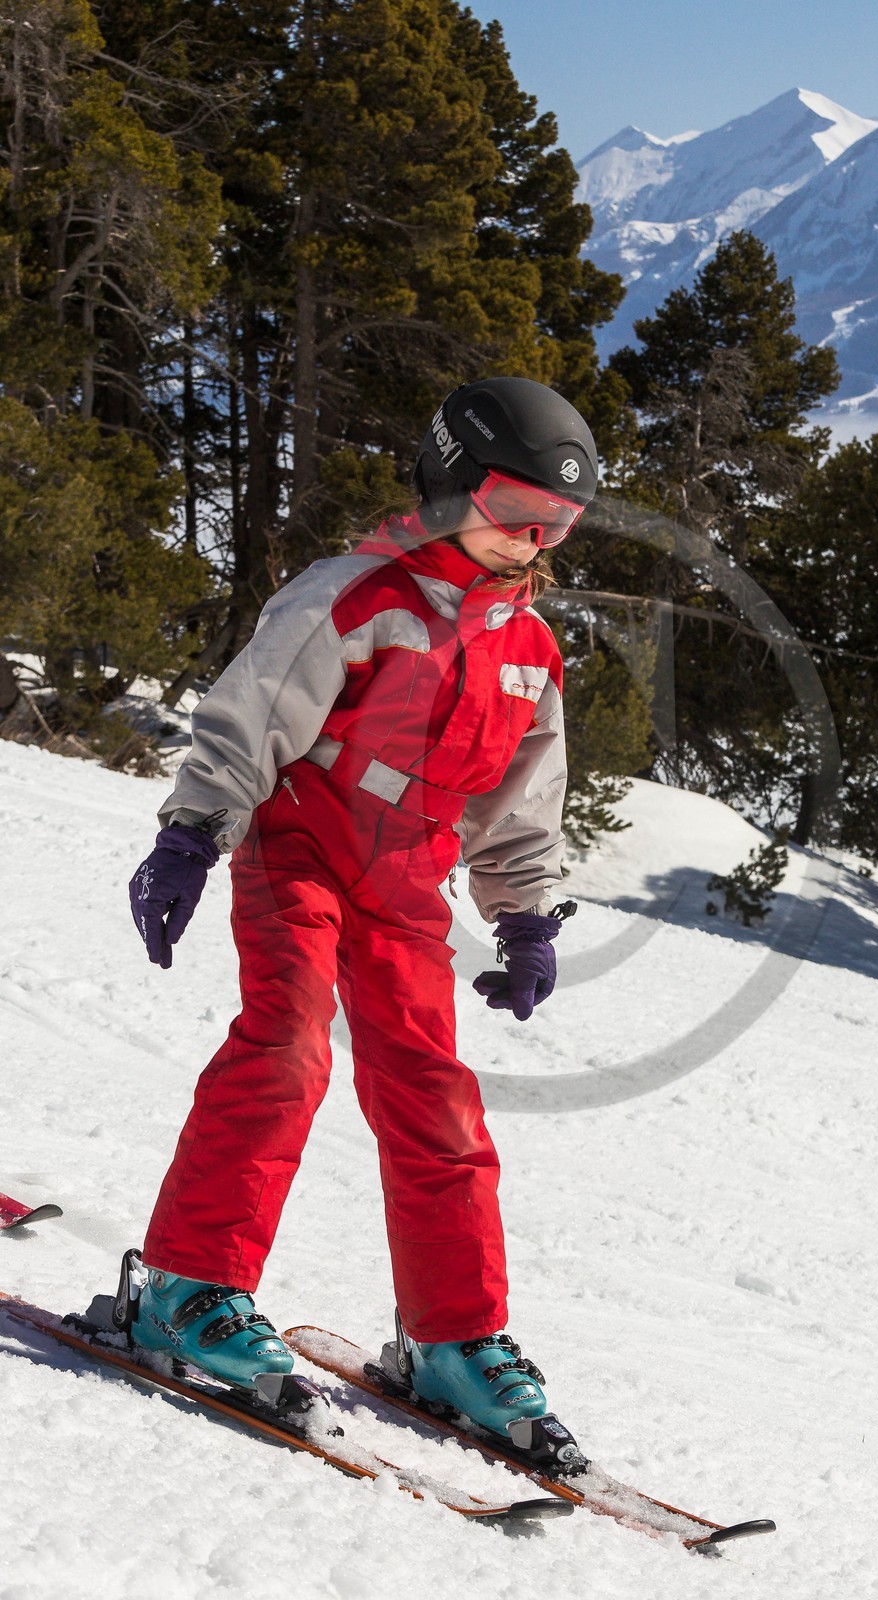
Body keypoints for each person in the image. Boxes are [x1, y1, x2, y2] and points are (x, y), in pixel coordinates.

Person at [126, 376, 596, 1444]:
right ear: (449, 485)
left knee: (436, 1098)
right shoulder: (355, 595)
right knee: (286, 1048)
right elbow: (249, 717)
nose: (530, 540)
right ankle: (185, 1285)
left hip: (404, 891)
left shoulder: (528, 650)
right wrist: (191, 836)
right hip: (298, 852)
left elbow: (525, 800)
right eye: (514, 509)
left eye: (555, 524)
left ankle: (454, 1338)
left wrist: (522, 918)